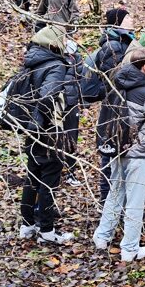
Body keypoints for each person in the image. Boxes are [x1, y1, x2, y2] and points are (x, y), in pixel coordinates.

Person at [92, 48, 145, 262]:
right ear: (144, 68)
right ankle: (130, 248)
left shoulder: (114, 85)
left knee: (116, 192)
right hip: (138, 154)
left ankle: (102, 235)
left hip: (116, 150)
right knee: (135, 200)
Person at [19, 25, 74, 245]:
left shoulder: (31, 62)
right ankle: (47, 230)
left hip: (31, 131)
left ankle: (27, 225)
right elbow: (47, 96)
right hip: (48, 132)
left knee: (32, 176)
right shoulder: (55, 65)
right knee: (49, 179)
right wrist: (47, 122)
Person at [95, 8, 137, 204]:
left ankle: (118, 203)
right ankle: (106, 203)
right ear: (118, 22)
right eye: (128, 18)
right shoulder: (112, 46)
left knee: (120, 156)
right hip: (114, 108)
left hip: (124, 106)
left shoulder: (125, 42)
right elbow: (114, 79)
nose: (132, 20)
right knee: (110, 155)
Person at [63, 38, 84, 187]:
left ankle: (70, 172)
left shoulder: (75, 54)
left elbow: (80, 79)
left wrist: (83, 103)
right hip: (55, 103)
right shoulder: (49, 50)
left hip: (71, 104)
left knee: (71, 137)